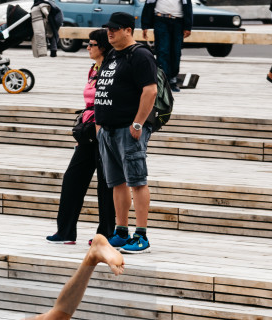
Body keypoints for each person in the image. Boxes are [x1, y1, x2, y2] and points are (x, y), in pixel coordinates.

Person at [94, 11, 158, 255]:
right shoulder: (111, 55)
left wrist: (138, 124)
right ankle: (121, 231)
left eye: (115, 29)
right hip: (107, 130)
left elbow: (150, 91)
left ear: (128, 30)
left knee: (137, 181)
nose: (110, 32)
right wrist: (99, 123)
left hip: (128, 129)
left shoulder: (140, 55)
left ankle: (141, 235)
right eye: (108, 29)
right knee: (117, 183)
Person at [47, 29, 115, 245]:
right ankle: (66, 232)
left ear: (102, 47)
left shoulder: (112, 69)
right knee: (72, 180)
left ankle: (104, 234)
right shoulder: (93, 69)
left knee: (106, 185)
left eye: (91, 44)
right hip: (88, 133)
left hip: (106, 133)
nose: (87, 47)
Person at [141, 0, 193, 93]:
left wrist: (188, 26)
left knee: (176, 52)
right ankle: (163, 80)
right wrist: (145, 25)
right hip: (160, 20)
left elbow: (188, 5)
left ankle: (173, 79)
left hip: (178, 21)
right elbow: (148, 4)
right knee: (162, 51)